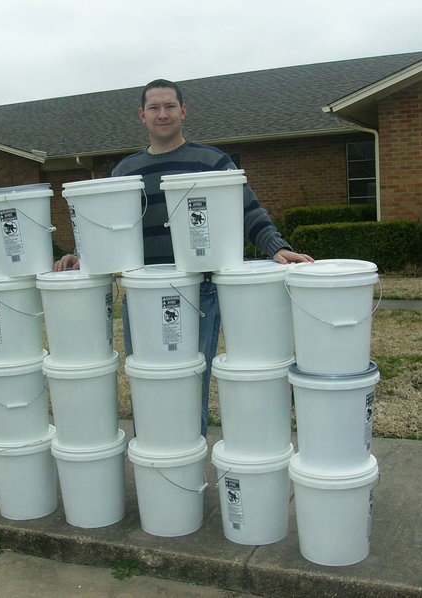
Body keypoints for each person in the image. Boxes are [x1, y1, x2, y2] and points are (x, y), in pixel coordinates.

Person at [55, 79, 313, 436]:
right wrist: (83, 256)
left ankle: (185, 460)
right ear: (142, 115)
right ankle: (158, 455)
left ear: (183, 111)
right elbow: (104, 226)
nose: (163, 114)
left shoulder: (211, 162)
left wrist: (276, 246)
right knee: (151, 377)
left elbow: (247, 209)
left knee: (190, 380)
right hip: (143, 293)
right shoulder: (125, 172)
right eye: (155, 107)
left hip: (198, 293)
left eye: (170, 106)